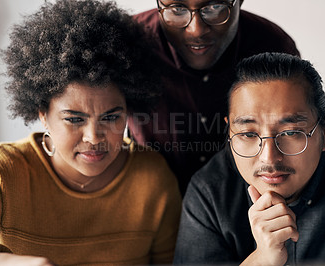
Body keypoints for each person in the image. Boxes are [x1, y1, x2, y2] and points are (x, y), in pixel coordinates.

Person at [0, 0, 182, 265]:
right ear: (42, 114)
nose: (94, 137)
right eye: (74, 119)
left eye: (111, 117)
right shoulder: (2, 173)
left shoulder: (152, 179)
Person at [173, 53, 325, 265]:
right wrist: (261, 260)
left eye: (290, 133)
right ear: (230, 130)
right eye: (248, 134)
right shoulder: (209, 193)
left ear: (324, 131)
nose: (269, 157)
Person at [128, 0, 300, 195]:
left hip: (249, 209)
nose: (196, 30)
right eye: (177, 9)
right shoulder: (128, 43)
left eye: (215, 8)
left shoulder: (272, 46)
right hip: (151, 204)